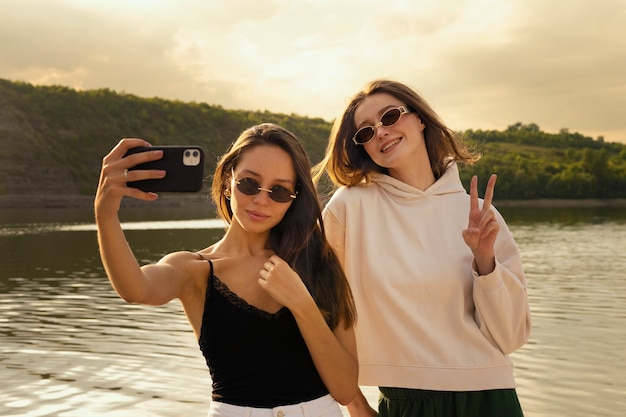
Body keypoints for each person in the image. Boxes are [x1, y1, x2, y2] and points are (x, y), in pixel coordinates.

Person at [95, 123, 358, 417]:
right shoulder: (194, 269)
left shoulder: (319, 262)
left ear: (294, 199)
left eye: (279, 191)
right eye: (249, 184)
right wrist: (105, 214)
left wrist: (301, 303)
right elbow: (136, 289)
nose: (261, 199)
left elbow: (346, 389)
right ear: (227, 181)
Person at [313, 79, 531, 417]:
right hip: (406, 402)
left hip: (491, 398)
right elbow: (312, 309)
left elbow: (511, 335)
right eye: (366, 132)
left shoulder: (477, 214)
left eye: (389, 117)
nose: (381, 132)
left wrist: (485, 262)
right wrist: (354, 403)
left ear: (419, 119)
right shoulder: (350, 209)